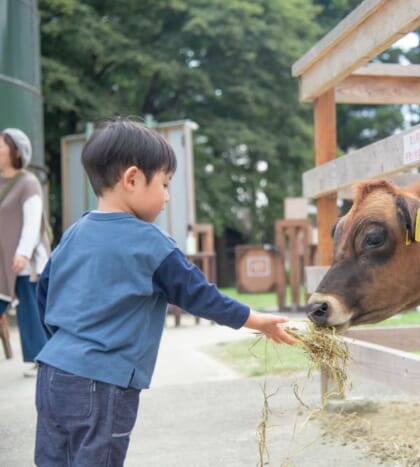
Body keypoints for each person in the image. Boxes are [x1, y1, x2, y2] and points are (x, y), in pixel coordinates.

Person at [34, 118, 296, 466]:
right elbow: (200, 295)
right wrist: (256, 320)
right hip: (103, 383)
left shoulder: (73, 234)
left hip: (52, 372)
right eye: (165, 183)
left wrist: (62, 346)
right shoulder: (150, 244)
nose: (168, 197)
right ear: (132, 179)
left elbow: (45, 292)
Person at [0, 128, 50, 377]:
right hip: (3, 263)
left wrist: (22, 253)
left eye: (1, 145)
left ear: (15, 151)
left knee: (29, 309)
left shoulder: (28, 183)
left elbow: (32, 223)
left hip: (24, 262)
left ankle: (41, 357)